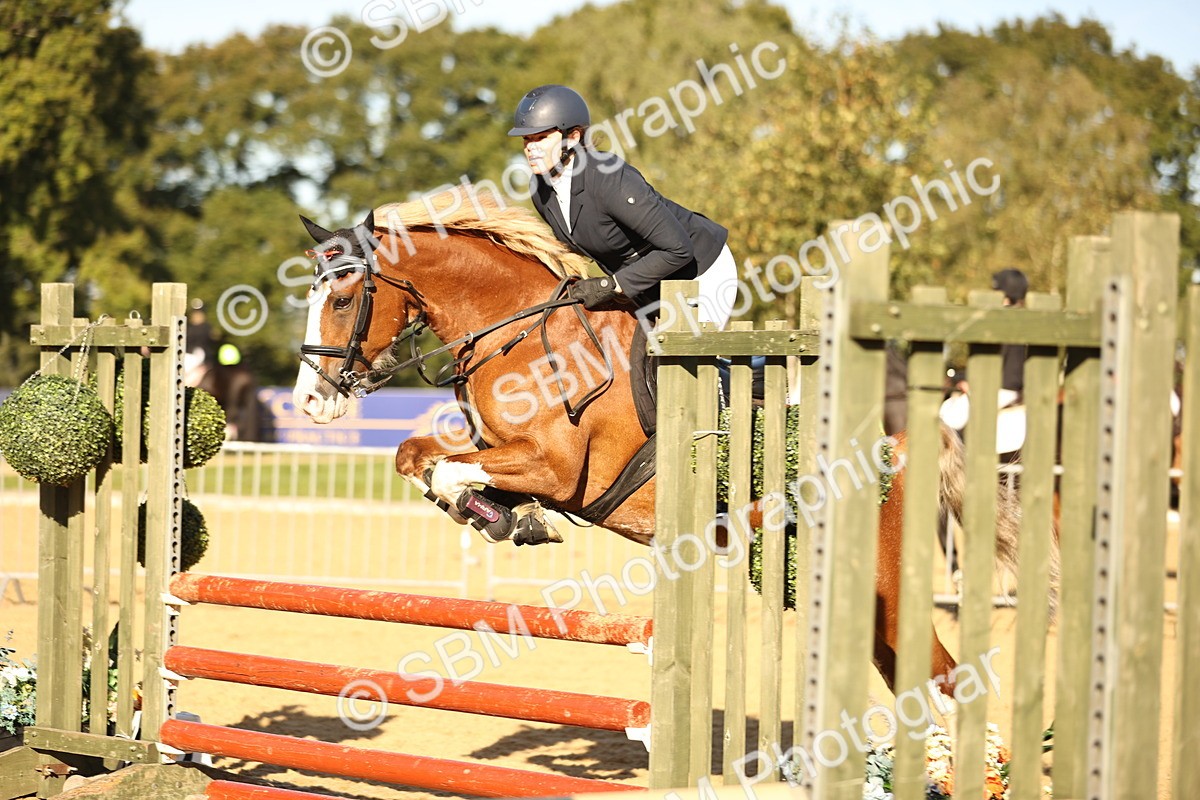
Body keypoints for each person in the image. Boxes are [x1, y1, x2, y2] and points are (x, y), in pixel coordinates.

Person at [509, 84, 739, 329]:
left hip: (701, 272)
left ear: (573, 137)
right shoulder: (541, 189)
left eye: (541, 137)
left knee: (680, 362)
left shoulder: (609, 178)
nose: (530, 148)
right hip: (648, 286)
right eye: (526, 139)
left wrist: (610, 285)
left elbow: (678, 249)